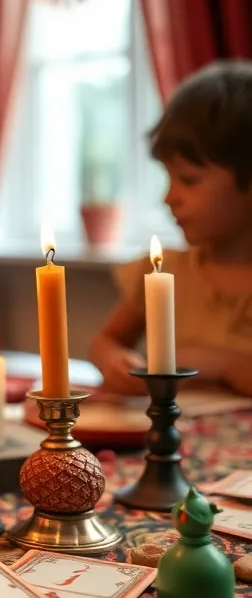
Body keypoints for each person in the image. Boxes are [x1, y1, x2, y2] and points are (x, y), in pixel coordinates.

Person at [90, 60, 252, 397]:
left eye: (189, 180)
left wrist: (221, 363)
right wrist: (114, 359)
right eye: (168, 177)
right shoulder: (166, 272)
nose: (169, 197)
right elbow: (106, 340)